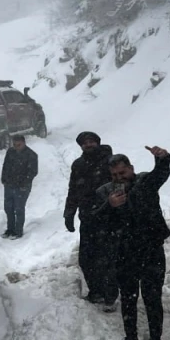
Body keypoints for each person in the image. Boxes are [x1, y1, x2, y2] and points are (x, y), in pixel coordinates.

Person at [94, 147, 170, 340]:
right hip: (124, 252)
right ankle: (131, 338)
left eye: (123, 173)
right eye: (115, 175)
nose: (120, 178)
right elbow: (96, 220)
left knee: (152, 298)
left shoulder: (145, 183)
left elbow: (161, 174)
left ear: (131, 169)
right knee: (128, 298)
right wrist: (110, 206)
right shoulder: (106, 193)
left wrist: (162, 158)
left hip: (151, 250)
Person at [64, 131, 117, 309]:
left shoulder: (110, 161)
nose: (88, 145)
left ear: (97, 142)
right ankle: (96, 291)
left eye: (91, 141)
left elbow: (122, 183)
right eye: (84, 142)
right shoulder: (78, 165)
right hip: (88, 217)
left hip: (109, 217)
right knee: (87, 258)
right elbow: (73, 190)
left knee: (108, 257)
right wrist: (69, 213)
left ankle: (110, 296)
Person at [0, 134, 38, 238]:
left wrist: (24, 183)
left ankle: (18, 231)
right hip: (9, 185)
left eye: (19, 145)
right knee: (8, 208)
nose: (17, 147)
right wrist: (4, 179)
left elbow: (33, 172)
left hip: (22, 187)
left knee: (19, 208)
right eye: (15, 145)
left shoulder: (31, 155)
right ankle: (10, 229)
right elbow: (5, 166)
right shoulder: (10, 152)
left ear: (24, 143)